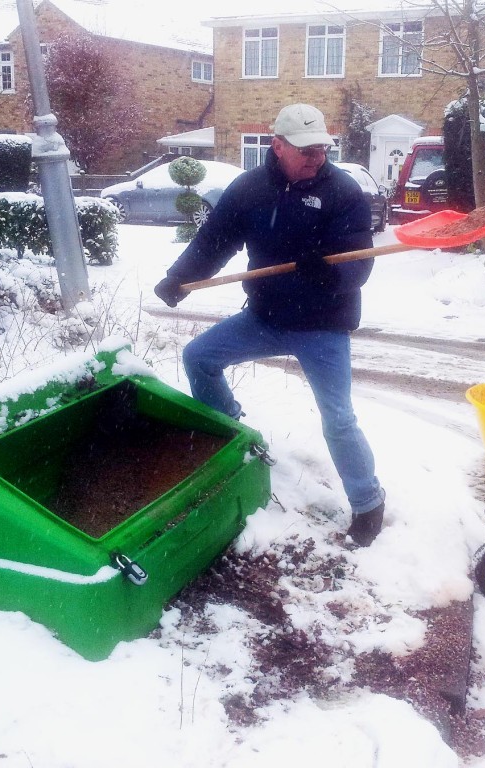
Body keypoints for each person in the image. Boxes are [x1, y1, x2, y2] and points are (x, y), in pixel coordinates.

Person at [154, 103, 386, 546]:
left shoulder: (343, 192)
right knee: (198, 357)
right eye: (305, 149)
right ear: (276, 145)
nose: (315, 157)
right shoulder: (249, 189)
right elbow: (214, 241)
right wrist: (180, 278)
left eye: (320, 148)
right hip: (265, 318)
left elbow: (360, 262)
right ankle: (233, 431)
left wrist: (331, 274)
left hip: (323, 325)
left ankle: (368, 500)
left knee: (338, 417)